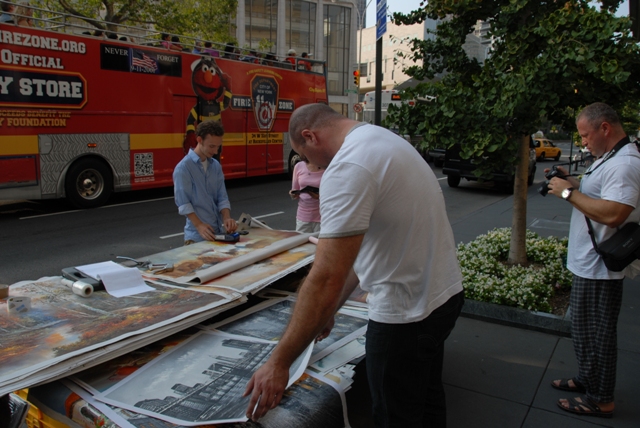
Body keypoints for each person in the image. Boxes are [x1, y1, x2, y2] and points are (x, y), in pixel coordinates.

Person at [244, 103, 464, 426]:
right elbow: (355, 257)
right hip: (442, 297)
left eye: (303, 155)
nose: (310, 165)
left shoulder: (348, 166)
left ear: (310, 136)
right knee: (427, 405)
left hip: (404, 316)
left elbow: (326, 276)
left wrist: (279, 363)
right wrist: (328, 309)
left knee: (396, 417)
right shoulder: (381, 139)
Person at [547, 102, 640, 419]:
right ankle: (588, 378)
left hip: (600, 268)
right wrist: (572, 183)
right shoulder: (611, 157)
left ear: (605, 128)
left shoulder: (624, 164)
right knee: (585, 331)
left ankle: (601, 399)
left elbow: (614, 213)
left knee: (598, 335)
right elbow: (599, 193)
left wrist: (567, 194)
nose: (584, 142)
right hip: (589, 263)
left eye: (586, 136)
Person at [173, 120, 237, 245]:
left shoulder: (216, 166)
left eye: (218, 146)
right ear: (199, 140)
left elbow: (222, 197)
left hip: (217, 233)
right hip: (196, 238)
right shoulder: (183, 168)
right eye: (212, 146)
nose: (216, 151)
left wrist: (226, 218)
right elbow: (184, 203)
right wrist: (199, 225)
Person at [289, 160, 323, 233]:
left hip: (322, 216)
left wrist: (319, 196)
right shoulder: (299, 166)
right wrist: (293, 194)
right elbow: (295, 190)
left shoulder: (326, 166)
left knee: (319, 240)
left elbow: (334, 193)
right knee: (301, 239)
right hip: (303, 216)